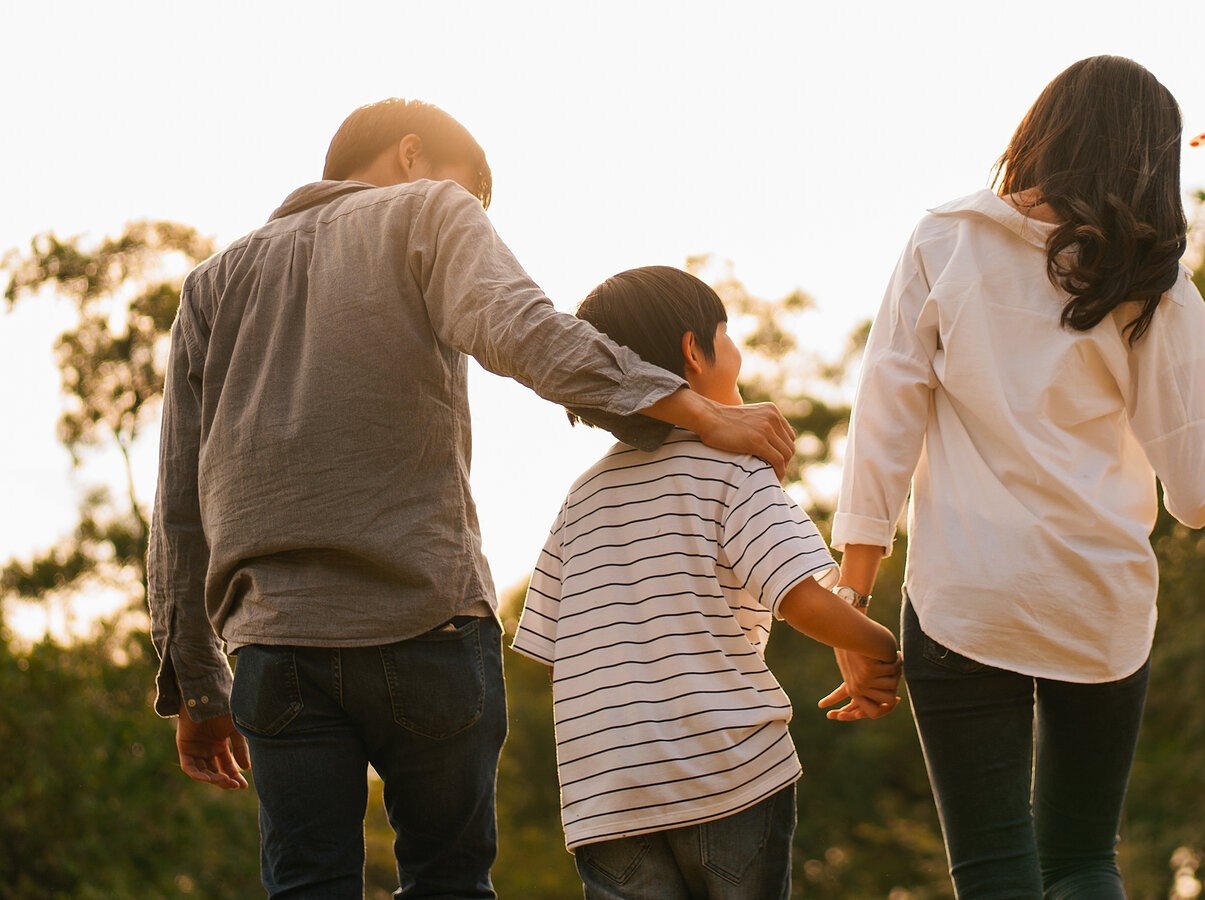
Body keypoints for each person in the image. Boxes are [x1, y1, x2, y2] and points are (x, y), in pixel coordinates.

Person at [146, 99, 798, 899]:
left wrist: (199, 687)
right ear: (413, 155)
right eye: (476, 196)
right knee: (447, 881)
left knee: (306, 884)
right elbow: (525, 331)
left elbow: (178, 498)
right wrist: (699, 409)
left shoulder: (212, 284)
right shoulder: (426, 211)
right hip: (426, 622)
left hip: (278, 647)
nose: (479, 220)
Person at [826, 56, 1205, 897]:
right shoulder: (1160, 291)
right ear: (1154, 161)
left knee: (995, 870)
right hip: (1098, 601)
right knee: (1083, 862)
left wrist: (850, 605)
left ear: (1045, 130)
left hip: (965, 598)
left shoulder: (945, 239)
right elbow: (1193, 494)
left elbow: (883, 426)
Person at [510, 265, 901, 899]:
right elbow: (800, 598)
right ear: (695, 350)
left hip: (605, 795)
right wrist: (880, 647)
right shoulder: (731, 467)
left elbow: (553, 653)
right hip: (726, 774)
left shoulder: (579, 499)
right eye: (729, 334)